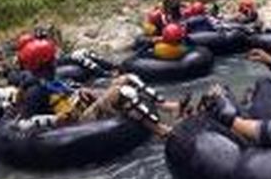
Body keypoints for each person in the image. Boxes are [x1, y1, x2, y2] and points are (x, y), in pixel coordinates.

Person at [13, 38, 179, 138]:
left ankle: (167, 106)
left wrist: (86, 92)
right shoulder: (36, 90)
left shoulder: (50, 78)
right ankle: (161, 131)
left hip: (84, 107)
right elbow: (22, 123)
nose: (55, 61)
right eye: (51, 58)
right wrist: (55, 120)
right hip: (78, 121)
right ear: (44, 63)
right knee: (121, 92)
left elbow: (68, 92)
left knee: (128, 78)